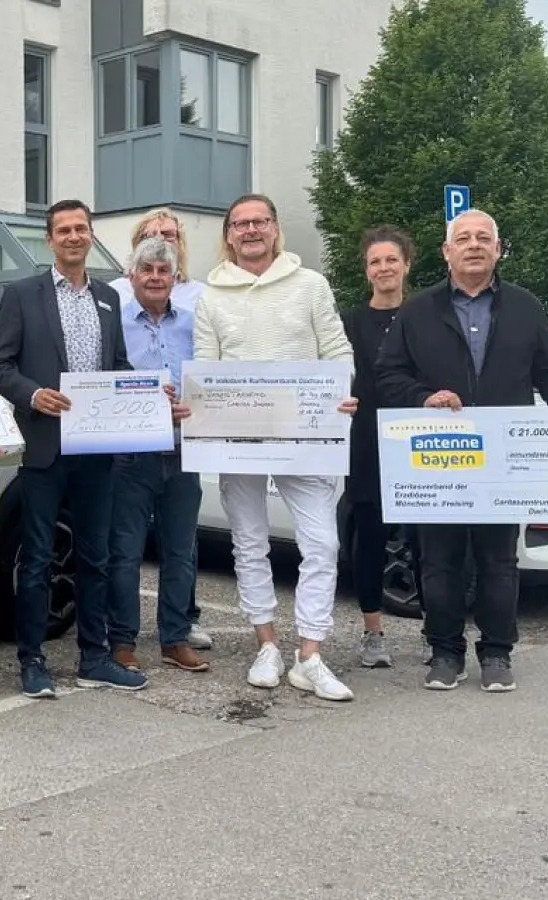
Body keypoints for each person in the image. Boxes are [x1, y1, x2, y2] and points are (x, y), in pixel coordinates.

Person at [374, 208, 548, 693]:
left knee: (499, 561)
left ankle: (496, 652)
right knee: (439, 561)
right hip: (438, 458)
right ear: (446, 252)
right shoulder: (418, 311)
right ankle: (445, 652)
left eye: (483, 238)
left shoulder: (524, 307)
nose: (473, 245)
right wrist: (423, 398)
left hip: (505, 459)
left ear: (498, 249)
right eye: (463, 238)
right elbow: (388, 376)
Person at [194, 193, 359, 702]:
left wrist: (342, 392)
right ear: (228, 235)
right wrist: (199, 405)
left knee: (322, 544)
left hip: (305, 437)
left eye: (259, 222)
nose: (250, 231)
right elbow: (206, 366)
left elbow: (337, 350)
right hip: (238, 440)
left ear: (274, 228)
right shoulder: (211, 296)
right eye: (240, 224)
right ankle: (265, 644)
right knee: (249, 541)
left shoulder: (311, 285)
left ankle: (310, 654)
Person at [0, 198, 145, 698]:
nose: (74, 237)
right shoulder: (22, 295)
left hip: (96, 449)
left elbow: (118, 365)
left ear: (90, 235)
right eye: (64, 230)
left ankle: (94, 657)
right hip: (44, 447)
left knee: (95, 558)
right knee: (36, 559)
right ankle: (32, 660)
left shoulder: (108, 297)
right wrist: (33, 394)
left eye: (81, 229)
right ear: (50, 240)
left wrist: (145, 391)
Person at [109, 207, 212, 652]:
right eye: (147, 270)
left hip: (184, 451)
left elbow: (211, 378)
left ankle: (175, 637)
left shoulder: (195, 323)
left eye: (163, 270)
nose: (155, 277)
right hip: (131, 456)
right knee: (125, 553)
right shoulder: (113, 323)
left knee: (180, 553)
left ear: (174, 276)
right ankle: (122, 640)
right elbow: (105, 383)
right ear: (132, 275)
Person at [340, 225, 417, 670]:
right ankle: (373, 632)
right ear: (366, 269)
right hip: (366, 441)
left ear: (406, 264)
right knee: (368, 537)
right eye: (375, 261)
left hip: (419, 442)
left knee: (427, 539)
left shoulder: (426, 317)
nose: (384, 268)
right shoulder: (349, 322)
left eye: (391, 260)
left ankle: (434, 630)